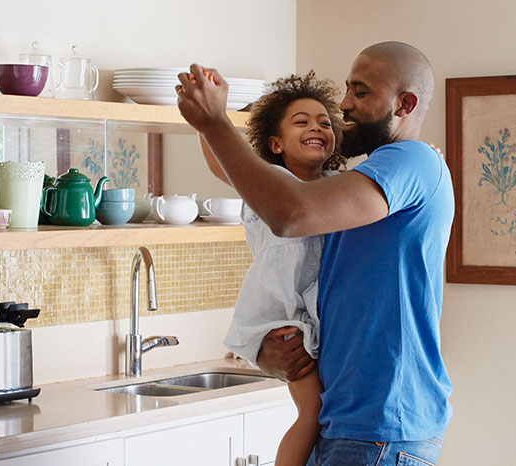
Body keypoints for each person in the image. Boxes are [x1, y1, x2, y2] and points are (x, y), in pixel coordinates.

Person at [176, 41, 453, 466]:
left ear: (405, 104)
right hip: (355, 423)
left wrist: (214, 123)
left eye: (360, 92)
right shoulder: (357, 180)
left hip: (379, 427)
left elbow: (291, 213)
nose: (344, 104)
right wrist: (272, 354)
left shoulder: (410, 160)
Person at [199, 72, 345, 466]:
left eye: (324, 122)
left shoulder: (336, 187)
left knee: (321, 414)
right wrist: (208, 119)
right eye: (302, 121)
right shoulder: (269, 184)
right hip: (280, 317)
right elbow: (221, 165)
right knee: (311, 414)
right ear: (275, 143)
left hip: (311, 315)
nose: (316, 126)